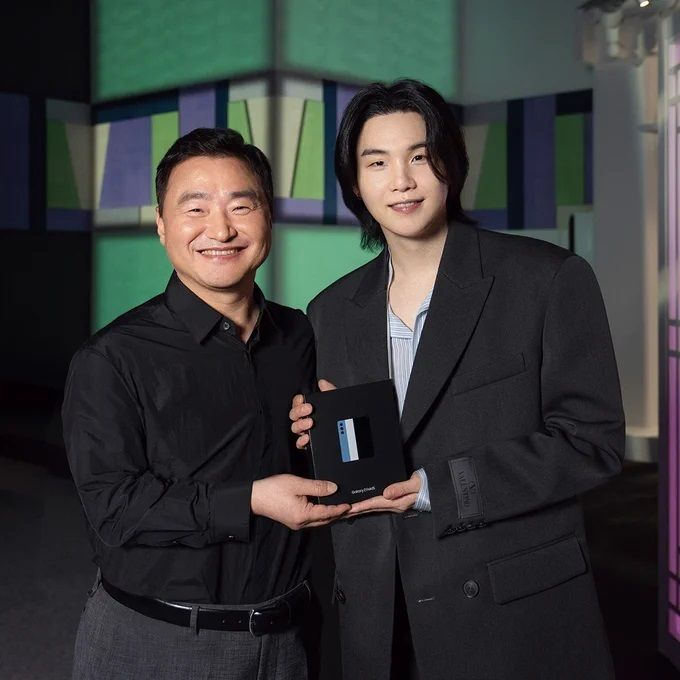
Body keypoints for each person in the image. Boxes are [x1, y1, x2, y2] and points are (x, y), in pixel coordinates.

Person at [290, 79, 624, 680]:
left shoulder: (545, 280)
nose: (402, 180)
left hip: (505, 612)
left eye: (419, 156)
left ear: (450, 162)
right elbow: (354, 457)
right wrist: (317, 436)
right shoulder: (330, 312)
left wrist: (435, 488)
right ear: (355, 182)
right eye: (377, 162)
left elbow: (590, 443)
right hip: (377, 614)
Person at [62, 127, 350, 680]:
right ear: (162, 225)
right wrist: (253, 500)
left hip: (290, 638)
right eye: (195, 208)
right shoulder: (112, 357)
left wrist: (328, 429)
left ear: (268, 219)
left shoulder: (298, 335)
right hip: (160, 642)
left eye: (242, 205)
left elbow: (308, 464)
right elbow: (114, 507)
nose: (220, 229)